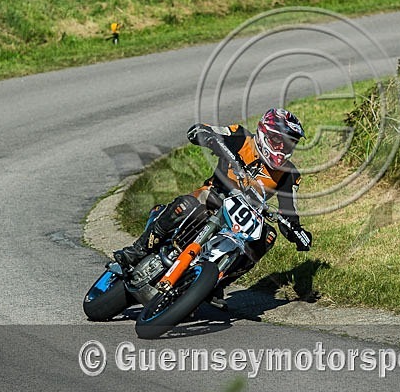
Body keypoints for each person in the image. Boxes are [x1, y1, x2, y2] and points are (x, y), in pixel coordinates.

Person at [113, 108, 313, 309]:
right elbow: (206, 131)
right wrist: (205, 135)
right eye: (280, 141)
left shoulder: (290, 173)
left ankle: (216, 282)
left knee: (268, 236)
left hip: (244, 218)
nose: (284, 148)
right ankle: (137, 251)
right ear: (265, 134)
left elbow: (289, 211)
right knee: (188, 204)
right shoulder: (239, 136)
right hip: (215, 195)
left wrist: (297, 231)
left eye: (290, 143)